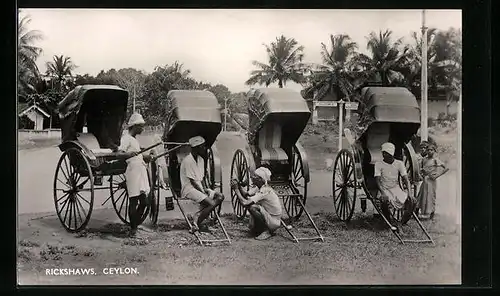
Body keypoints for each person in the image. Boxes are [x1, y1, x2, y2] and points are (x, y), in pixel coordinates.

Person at [117, 113, 154, 237]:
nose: (142, 129)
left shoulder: (134, 140)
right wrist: (129, 154)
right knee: (133, 200)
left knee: (144, 201)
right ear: (135, 126)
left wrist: (146, 157)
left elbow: (138, 155)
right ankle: (133, 229)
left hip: (141, 170)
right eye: (141, 126)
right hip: (133, 171)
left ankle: (135, 224)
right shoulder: (126, 138)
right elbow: (119, 154)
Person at [180, 136, 224, 233]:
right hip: (189, 189)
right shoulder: (187, 161)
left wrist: (207, 189)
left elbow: (202, 178)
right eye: (202, 147)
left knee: (220, 196)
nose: (204, 148)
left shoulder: (200, 160)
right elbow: (193, 182)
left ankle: (198, 215)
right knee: (211, 203)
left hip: (200, 188)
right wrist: (203, 192)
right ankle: (197, 222)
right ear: (196, 148)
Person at [230, 167, 283, 240]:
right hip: (270, 216)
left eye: (255, 176)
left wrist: (236, 189)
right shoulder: (260, 187)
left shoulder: (265, 190)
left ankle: (266, 231)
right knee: (252, 206)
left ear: (260, 179)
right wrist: (239, 185)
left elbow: (245, 203)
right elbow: (246, 194)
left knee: (252, 207)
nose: (252, 177)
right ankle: (258, 229)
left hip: (273, 221)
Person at [374, 142, 416, 232]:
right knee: (384, 200)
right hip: (384, 187)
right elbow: (377, 180)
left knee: (413, 201)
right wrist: (382, 192)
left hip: (395, 188)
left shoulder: (399, 163)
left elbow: (406, 180)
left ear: (391, 154)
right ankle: (388, 221)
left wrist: (410, 193)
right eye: (383, 153)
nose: (384, 155)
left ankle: (401, 222)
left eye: (387, 153)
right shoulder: (378, 164)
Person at [417, 142, 449, 220]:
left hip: (431, 181)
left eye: (431, 150)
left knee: (431, 196)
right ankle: (418, 211)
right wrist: (422, 172)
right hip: (425, 180)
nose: (430, 151)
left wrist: (437, 175)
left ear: (434, 151)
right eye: (428, 150)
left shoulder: (435, 160)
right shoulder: (424, 159)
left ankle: (431, 213)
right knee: (422, 195)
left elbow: (446, 168)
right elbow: (421, 169)